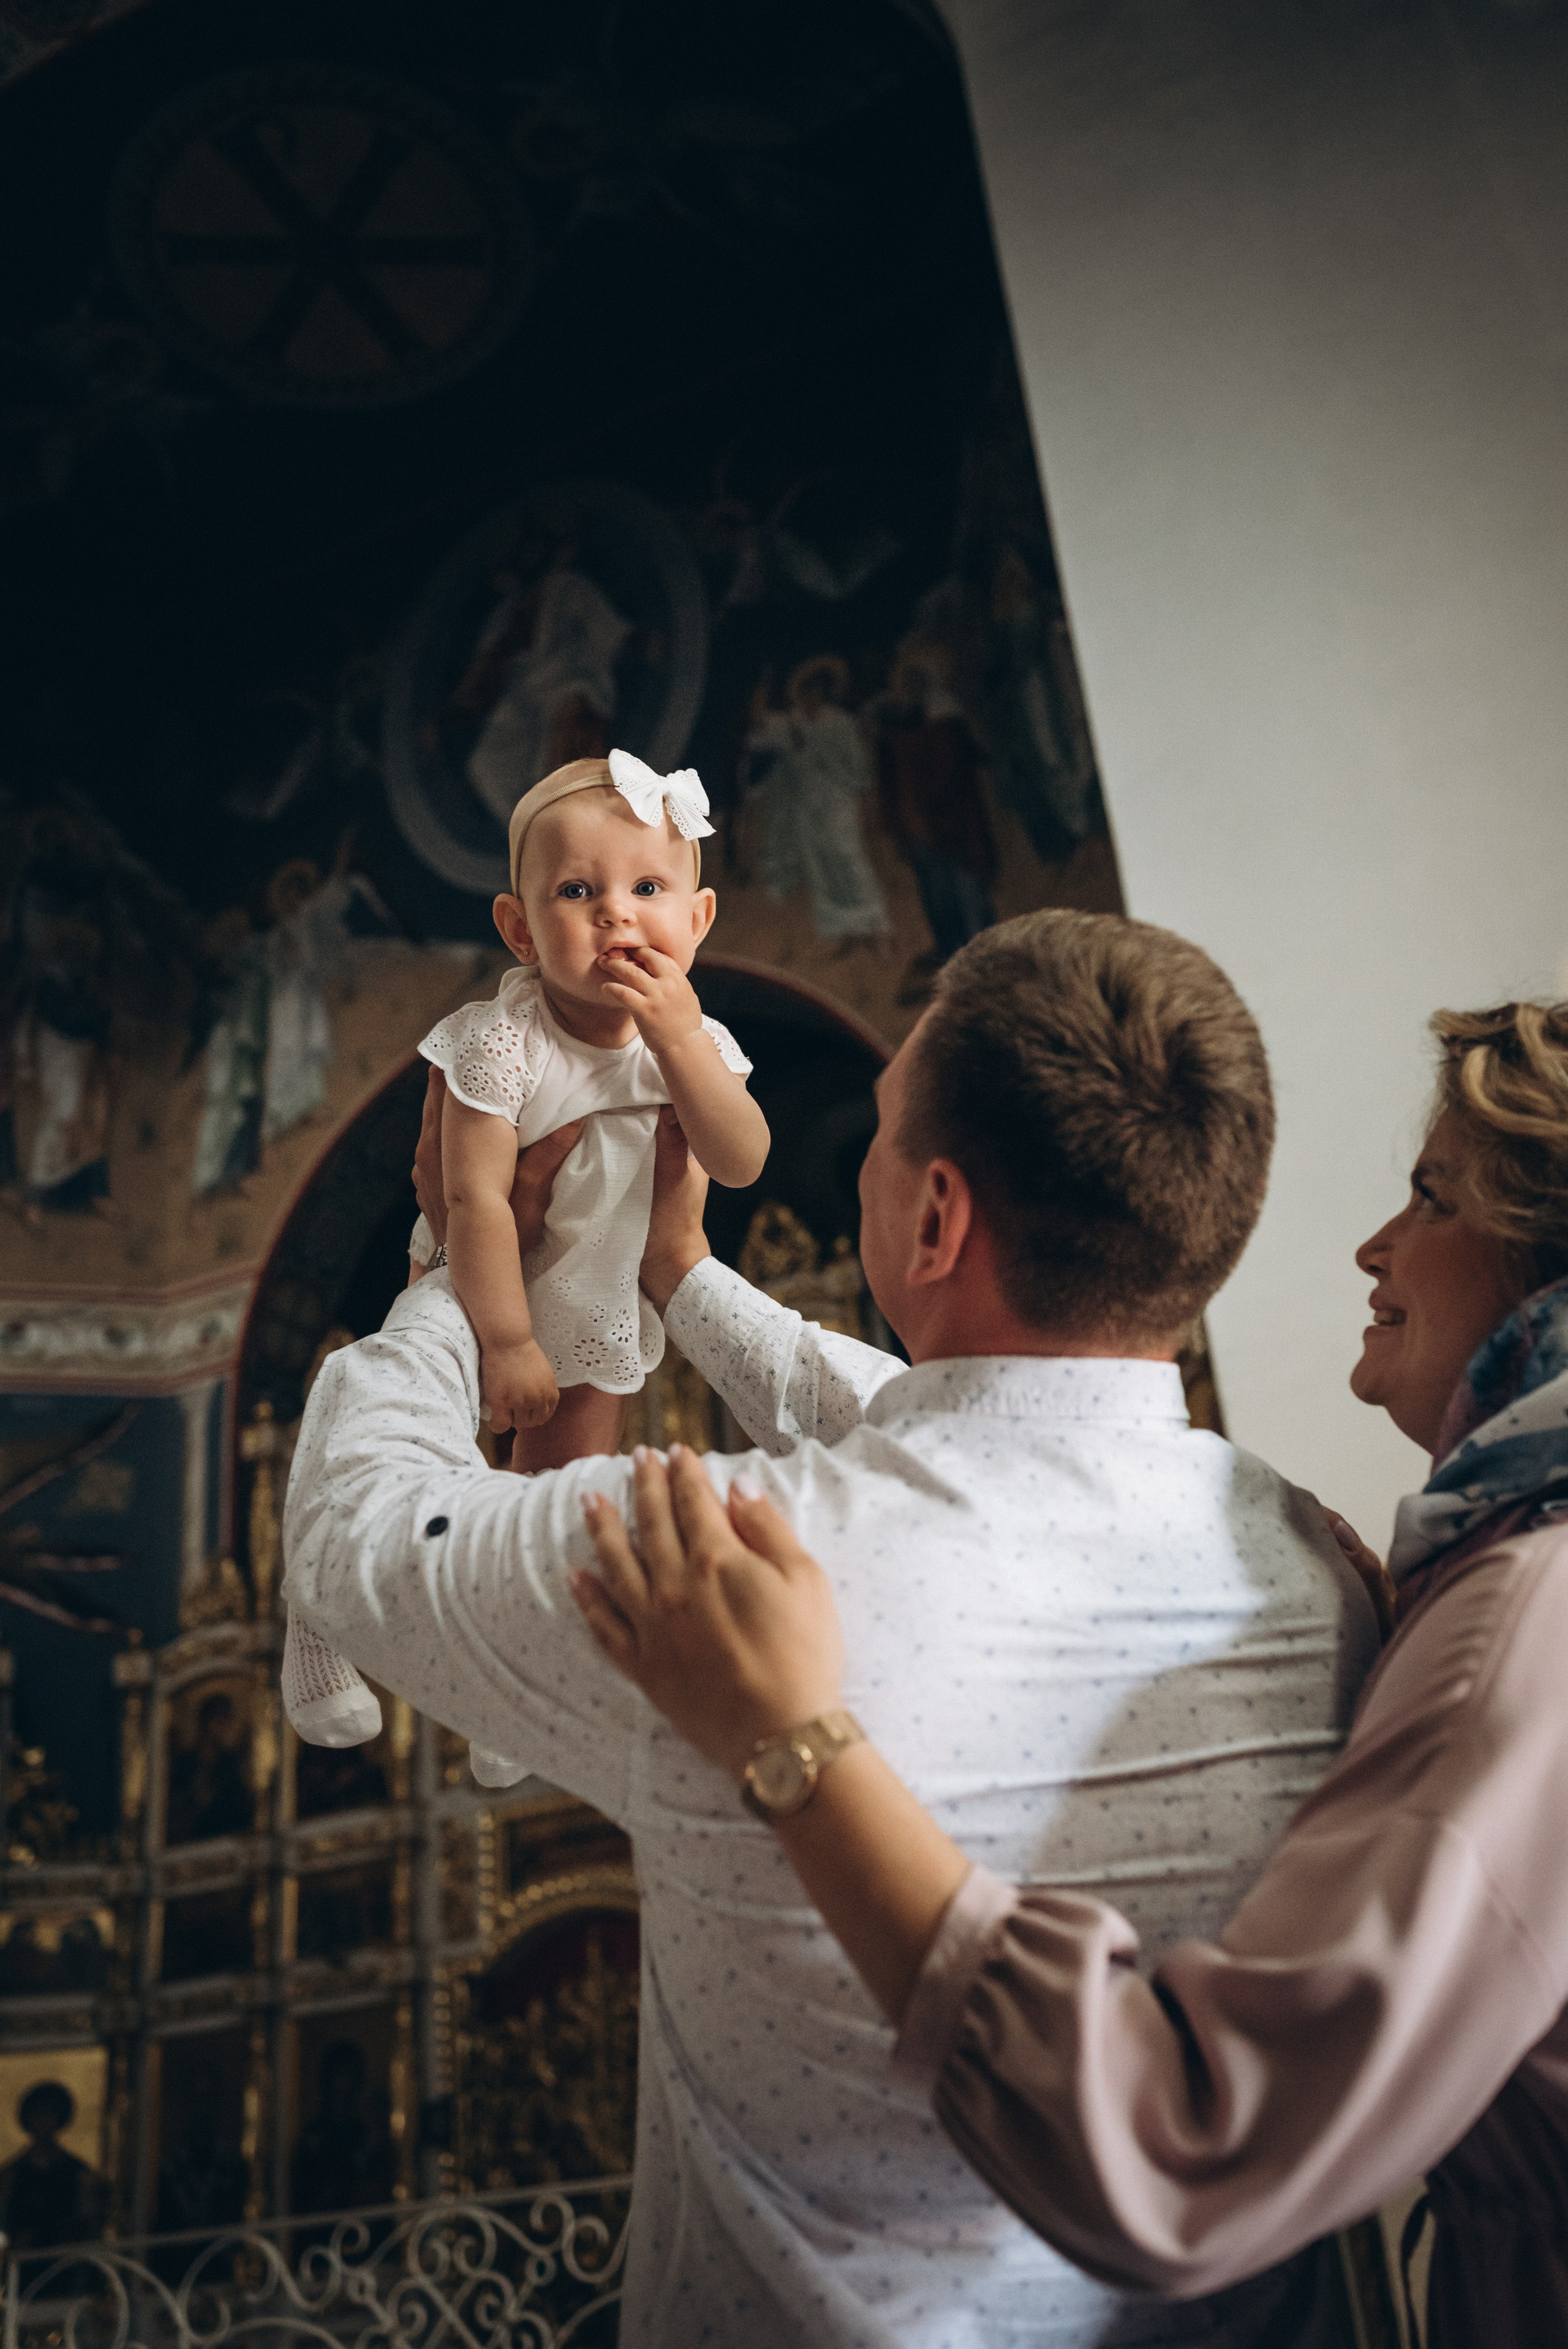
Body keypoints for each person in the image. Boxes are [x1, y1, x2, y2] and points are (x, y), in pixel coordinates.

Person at [283, 907, 1381, 2349]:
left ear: (931, 1217)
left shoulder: (714, 1575)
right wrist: (680, 1276)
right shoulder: (1319, 1569)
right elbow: (965, 1437)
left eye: (873, 1131)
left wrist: (459, 1273)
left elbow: (355, 1527)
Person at [572, 991, 1568, 2348]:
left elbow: (1182, 2142)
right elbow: (1008, 1441)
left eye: (1429, 1197)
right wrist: (688, 1287)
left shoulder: (1533, 1607)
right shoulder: (1475, 1556)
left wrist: (791, 1738)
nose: (1374, 1243)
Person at [281, 751, 767, 1790]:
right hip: (477, 1287)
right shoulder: (501, 1045)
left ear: (700, 917)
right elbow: (474, 1203)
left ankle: (515, 1687)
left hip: (599, 1303)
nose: (617, 917)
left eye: (648, 889)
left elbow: (740, 1159)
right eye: (578, 893)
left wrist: (681, 1043)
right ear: (518, 928)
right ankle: (317, 1614)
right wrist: (503, 1341)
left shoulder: (696, 1042)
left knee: (564, 1498)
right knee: (399, 1434)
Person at [747, 654, 892, 951]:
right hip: (805, 808)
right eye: (805, 692)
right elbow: (759, 733)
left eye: (817, 692)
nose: (810, 698)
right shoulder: (790, 722)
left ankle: (875, 929)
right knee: (820, 867)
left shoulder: (840, 723)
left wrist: (865, 799)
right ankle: (839, 933)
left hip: (838, 804)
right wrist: (760, 691)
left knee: (850, 861)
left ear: (825, 694)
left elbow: (859, 766)